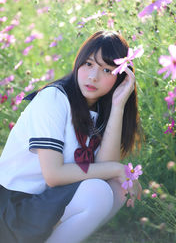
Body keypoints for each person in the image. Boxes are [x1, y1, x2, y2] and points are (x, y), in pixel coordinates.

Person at [0, 30, 142, 243]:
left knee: (116, 189)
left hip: (47, 200)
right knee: (100, 191)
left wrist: (118, 106)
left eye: (106, 70)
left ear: (120, 77)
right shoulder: (54, 98)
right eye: (88, 64)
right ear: (78, 63)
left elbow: (102, 171)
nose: (94, 76)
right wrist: (118, 169)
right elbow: (54, 174)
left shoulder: (100, 108)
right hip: (15, 206)